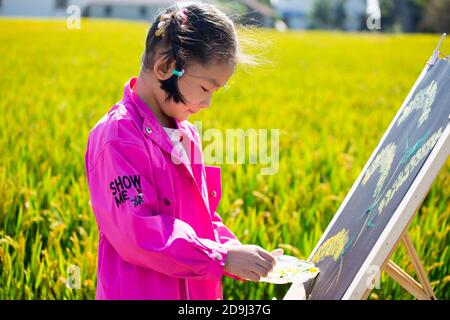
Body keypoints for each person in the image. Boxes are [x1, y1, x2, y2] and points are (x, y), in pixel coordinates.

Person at [84, 1, 283, 300]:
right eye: (205, 88)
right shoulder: (117, 137)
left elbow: (200, 221)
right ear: (166, 67)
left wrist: (237, 252)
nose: (207, 104)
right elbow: (136, 233)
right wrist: (220, 257)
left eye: (215, 92)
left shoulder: (186, 134)